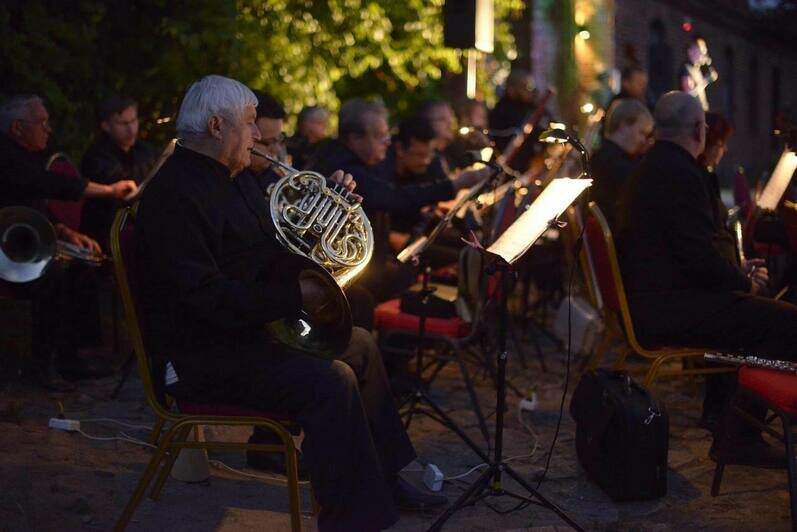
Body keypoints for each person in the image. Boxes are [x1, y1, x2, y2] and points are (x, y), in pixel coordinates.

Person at [136, 76, 444, 532]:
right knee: (331, 380)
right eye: (250, 123)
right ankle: (351, 519)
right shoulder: (176, 195)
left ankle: (384, 478)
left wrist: (331, 213)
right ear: (218, 126)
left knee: (358, 344)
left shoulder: (232, 179)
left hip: (242, 334)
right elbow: (207, 300)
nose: (258, 135)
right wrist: (295, 294)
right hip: (203, 355)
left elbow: (271, 251)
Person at [617, 91, 797, 467]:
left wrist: (734, 275)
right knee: (783, 322)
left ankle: (731, 424)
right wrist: (742, 282)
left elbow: (691, 255)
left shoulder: (651, 167)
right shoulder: (681, 175)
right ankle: (739, 437)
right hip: (668, 309)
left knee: (763, 315)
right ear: (699, 130)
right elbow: (701, 262)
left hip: (657, 299)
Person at [0, 95, 139, 390]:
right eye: (42, 123)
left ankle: (68, 358)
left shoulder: (25, 156)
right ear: (17, 128)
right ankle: (41, 367)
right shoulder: (6, 157)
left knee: (79, 266)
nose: (48, 130)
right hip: (5, 253)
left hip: (18, 242)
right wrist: (110, 190)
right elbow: (50, 185)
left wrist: (63, 230)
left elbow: (33, 201)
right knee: (53, 277)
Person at [311, 98, 487, 301]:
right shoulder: (343, 167)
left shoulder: (363, 161)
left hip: (368, 265)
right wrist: (455, 185)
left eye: (387, 134)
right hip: (348, 276)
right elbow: (392, 197)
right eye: (379, 135)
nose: (388, 141)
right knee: (411, 277)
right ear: (354, 138)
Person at [80, 95, 158, 247]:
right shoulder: (97, 155)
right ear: (106, 126)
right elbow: (123, 187)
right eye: (123, 123)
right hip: (107, 233)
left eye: (133, 121)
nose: (131, 129)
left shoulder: (145, 150)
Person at [590, 98, 653, 229]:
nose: (643, 141)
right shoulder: (619, 167)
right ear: (624, 125)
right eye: (641, 133)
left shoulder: (599, 157)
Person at [489, 67, 551, 172]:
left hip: (525, 164)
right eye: (524, 87)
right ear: (512, 89)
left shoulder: (527, 106)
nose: (529, 91)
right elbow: (523, 131)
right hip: (509, 167)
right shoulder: (502, 110)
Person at [679, 36, 718, 111]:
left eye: (704, 52)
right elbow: (689, 94)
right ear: (691, 51)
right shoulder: (686, 69)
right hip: (691, 114)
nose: (704, 54)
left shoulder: (698, 70)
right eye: (700, 51)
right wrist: (706, 80)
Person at [287, 105, 329, 170]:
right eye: (319, 122)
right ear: (305, 124)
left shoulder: (328, 147)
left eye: (325, 122)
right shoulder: (290, 145)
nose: (325, 126)